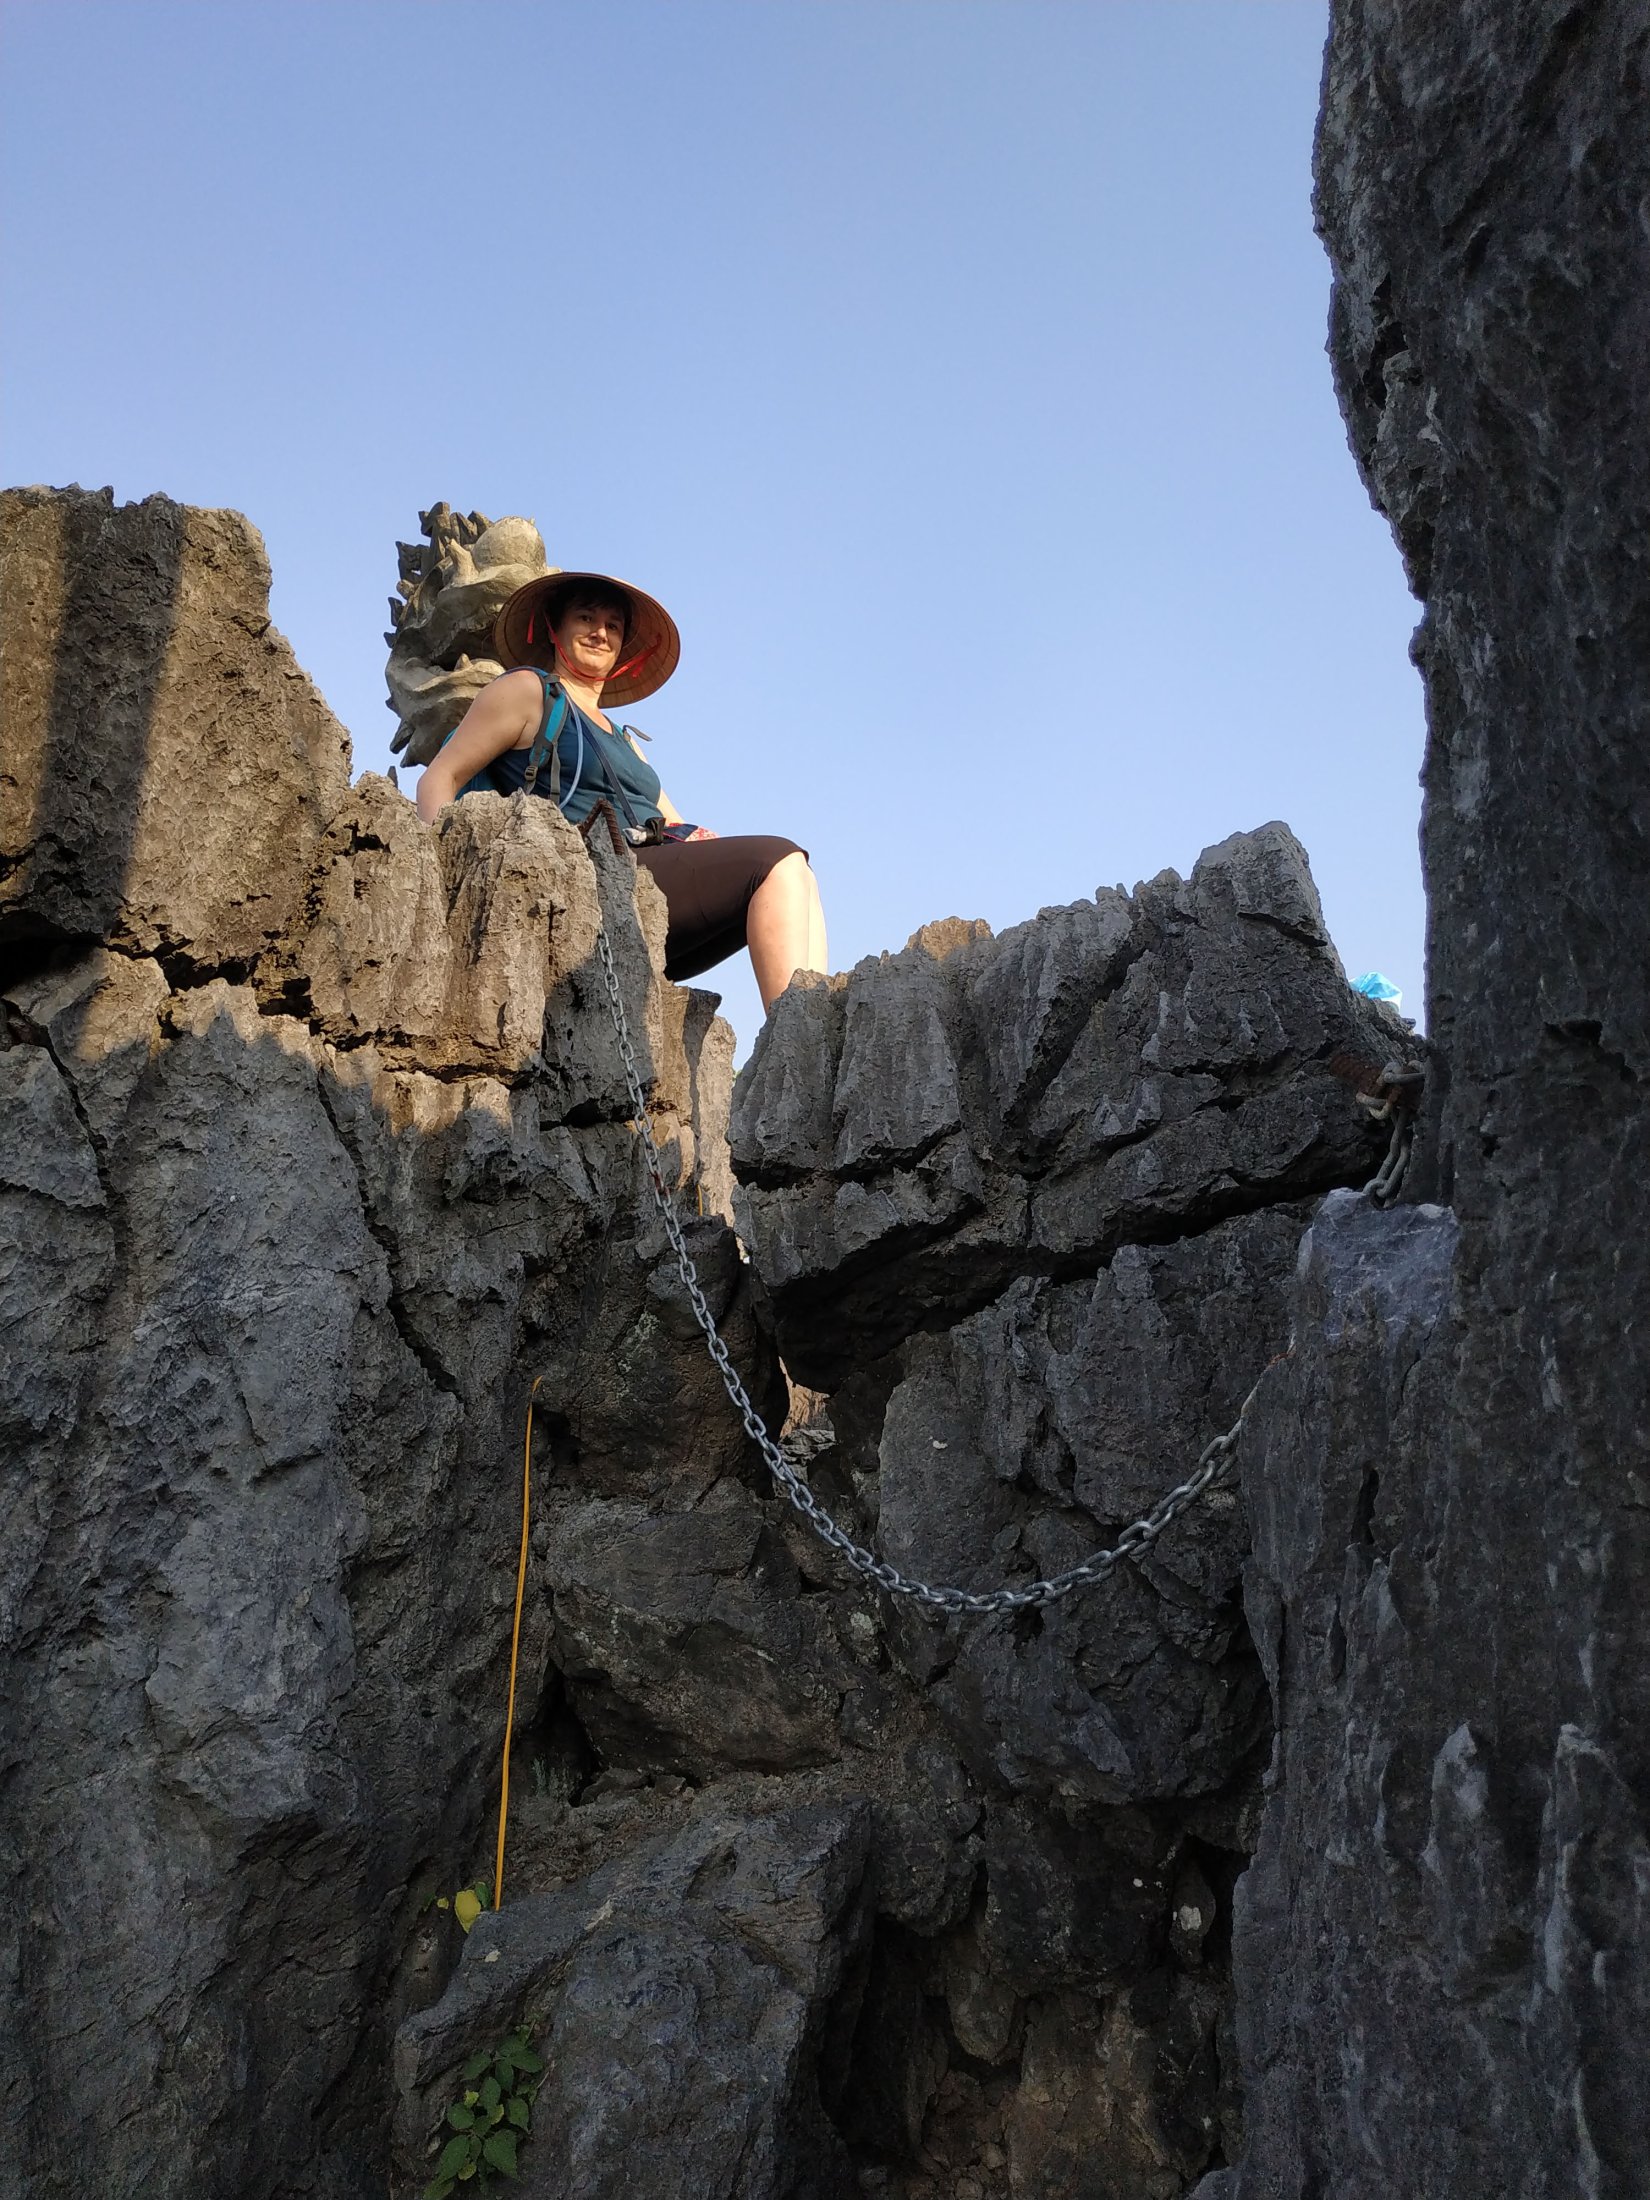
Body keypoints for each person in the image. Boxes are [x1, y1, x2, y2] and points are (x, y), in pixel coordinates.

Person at [415, 570, 826, 1010]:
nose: (600, 632)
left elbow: (673, 824)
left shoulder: (626, 740)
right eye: (586, 618)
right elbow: (440, 777)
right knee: (779, 859)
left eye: (613, 625)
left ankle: (811, 1027)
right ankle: (794, 1033)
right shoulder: (529, 691)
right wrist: (441, 882)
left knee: (800, 874)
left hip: (646, 891)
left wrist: (706, 841)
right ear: (553, 628)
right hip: (587, 877)